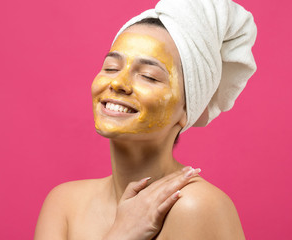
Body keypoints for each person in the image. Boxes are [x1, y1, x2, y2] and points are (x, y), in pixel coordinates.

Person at [34, 0, 257, 239]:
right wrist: (121, 233)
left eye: (149, 76)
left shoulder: (195, 207)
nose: (118, 83)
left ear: (187, 109)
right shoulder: (64, 203)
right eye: (110, 67)